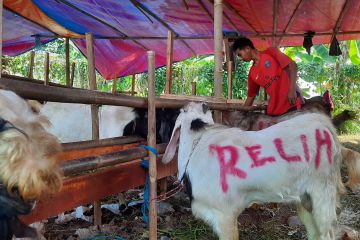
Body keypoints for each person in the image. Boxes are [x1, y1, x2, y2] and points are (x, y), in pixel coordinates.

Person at [232, 37, 303, 116]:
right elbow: (250, 97)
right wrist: (241, 115)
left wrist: (292, 90)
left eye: (240, 54)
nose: (241, 58)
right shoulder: (252, 74)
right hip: (275, 112)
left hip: (292, 104)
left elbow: (293, 66)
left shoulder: (271, 52)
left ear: (247, 48)